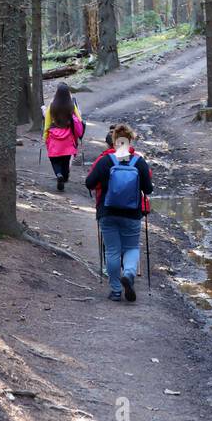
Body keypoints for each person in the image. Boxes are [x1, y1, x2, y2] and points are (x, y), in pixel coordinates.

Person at [84, 123, 154, 302]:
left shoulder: (106, 161)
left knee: (113, 251)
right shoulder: (139, 162)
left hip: (107, 212)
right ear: (130, 141)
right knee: (131, 247)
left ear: (114, 141)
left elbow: (89, 183)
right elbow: (148, 189)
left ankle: (116, 290)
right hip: (132, 214)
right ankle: (129, 274)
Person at [42, 83, 85, 192]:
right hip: (68, 136)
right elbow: (79, 120)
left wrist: (45, 137)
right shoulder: (71, 105)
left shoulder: (52, 106)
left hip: (54, 136)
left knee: (54, 159)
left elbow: (47, 124)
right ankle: (64, 177)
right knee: (66, 159)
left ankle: (59, 174)